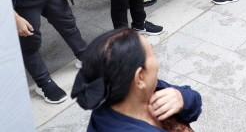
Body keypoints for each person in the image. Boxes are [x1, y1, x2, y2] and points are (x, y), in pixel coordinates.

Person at [72, 28, 202, 131]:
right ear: (140, 77)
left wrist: (182, 98)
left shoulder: (127, 89)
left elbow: (194, 103)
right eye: (152, 54)